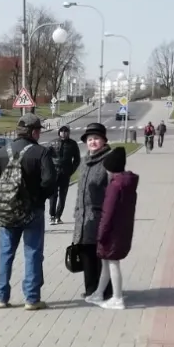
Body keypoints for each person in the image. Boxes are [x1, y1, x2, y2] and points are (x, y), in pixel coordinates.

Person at [0, 113, 56, 311]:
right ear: (33, 131)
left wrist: (4, 196)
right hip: (33, 211)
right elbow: (49, 181)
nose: (40, 134)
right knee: (32, 253)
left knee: (5, 254)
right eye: (39, 131)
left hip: (7, 212)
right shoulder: (41, 153)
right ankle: (31, 299)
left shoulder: (1, 152)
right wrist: (39, 198)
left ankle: (1, 298)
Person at [86, 147, 138, 311]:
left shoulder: (115, 186)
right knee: (107, 263)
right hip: (121, 230)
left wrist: (101, 234)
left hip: (112, 233)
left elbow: (107, 213)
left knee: (113, 264)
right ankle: (99, 293)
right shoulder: (126, 184)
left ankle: (117, 298)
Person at [72, 123, 115, 300]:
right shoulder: (84, 161)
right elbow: (80, 188)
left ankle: (106, 290)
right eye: (90, 139)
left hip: (101, 215)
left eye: (96, 138)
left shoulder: (109, 161)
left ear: (104, 141)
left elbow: (114, 190)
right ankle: (90, 289)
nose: (93, 142)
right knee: (86, 253)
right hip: (83, 215)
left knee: (101, 255)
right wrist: (76, 211)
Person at [47, 125, 81, 224]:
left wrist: (71, 170)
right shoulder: (52, 143)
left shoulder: (73, 144)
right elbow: (46, 157)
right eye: (62, 131)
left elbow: (77, 159)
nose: (64, 133)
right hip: (54, 172)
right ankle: (52, 216)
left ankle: (58, 216)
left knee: (63, 196)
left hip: (66, 172)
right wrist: (49, 170)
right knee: (53, 195)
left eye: (66, 131)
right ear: (59, 132)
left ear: (69, 133)